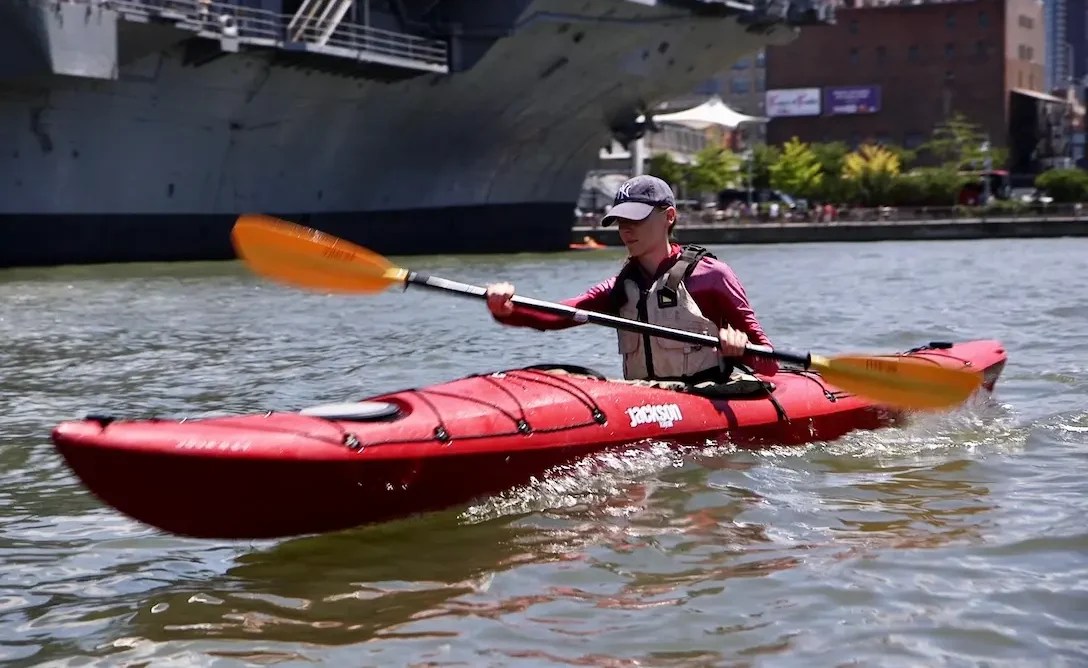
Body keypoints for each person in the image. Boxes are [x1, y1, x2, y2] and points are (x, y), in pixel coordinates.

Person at [485, 174, 777, 382]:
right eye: (621, 221)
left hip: (705, 400)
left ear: (669, 216)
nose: (626, 229)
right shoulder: (619, 288)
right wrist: (507, 310)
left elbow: (769, 362)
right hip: (645, 403)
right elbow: (557, 315)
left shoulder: (711, 276)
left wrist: (738, 350)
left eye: (636, 219)